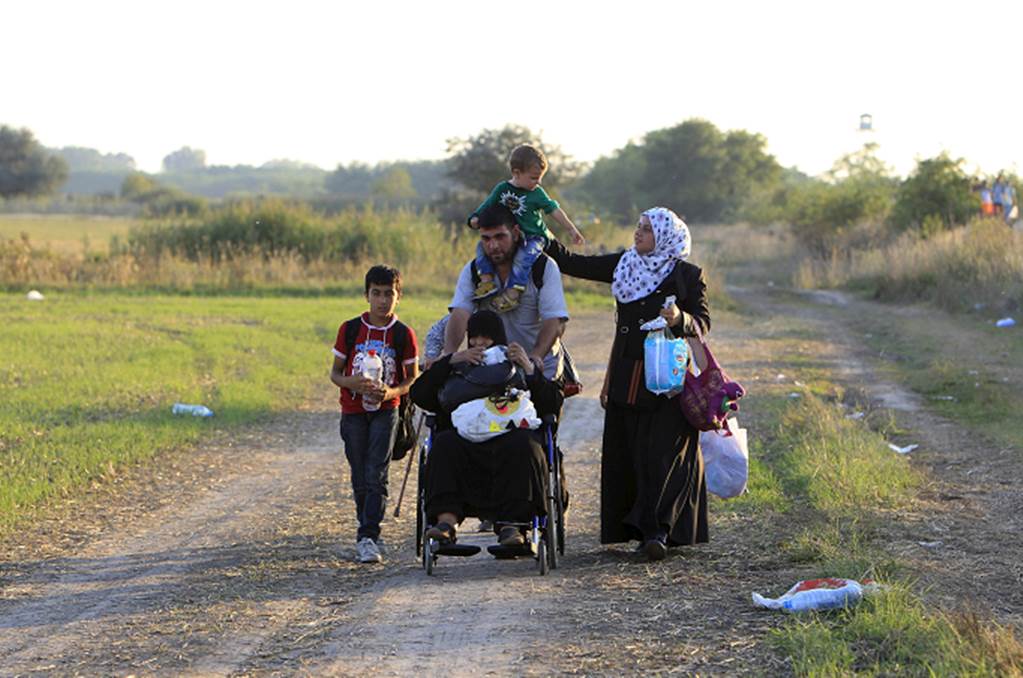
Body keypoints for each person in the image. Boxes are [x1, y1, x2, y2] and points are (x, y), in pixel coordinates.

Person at [545, 207, 711, 561]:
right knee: (634, 453)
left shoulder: (686, 275)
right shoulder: (626, 265)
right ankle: (641, 530)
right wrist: (538, 231)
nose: (639, 234)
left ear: (666, 236)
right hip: (627, 376)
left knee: (663, 454)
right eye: (638, 227)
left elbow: (702, 324)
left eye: (647, 230)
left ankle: (660, 531)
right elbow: (574, 263)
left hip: (668, 379)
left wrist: (680, 318)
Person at [411, 310, 562, 547]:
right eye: (474, 338)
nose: (479, 343)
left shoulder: (518, 367)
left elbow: (552, 403)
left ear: (499, 339)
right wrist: (450, 360)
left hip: (509, 437)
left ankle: (514, 525)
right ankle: (446, 522)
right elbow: (420, 395)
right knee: (444, 444)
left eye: (487, 338)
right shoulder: (458, 366)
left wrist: (527, 366)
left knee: (525, 444)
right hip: (465, 439)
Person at [330, 265, 419, 564]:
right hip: (353, 411)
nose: (382, 300)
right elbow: (334, 374)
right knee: (359, 472)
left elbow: (412, 378)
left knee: (377, 473)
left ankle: (368, 535)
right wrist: (350, 383)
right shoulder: (351, 329)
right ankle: (366, 526)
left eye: (389, 294)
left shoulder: (403, 333)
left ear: (399, 296)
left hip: (386, 411)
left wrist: (392, 393)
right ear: (366, 295)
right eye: (376, 293)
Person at [446, 203, 570, 382]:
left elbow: (555, 321)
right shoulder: (474, 271)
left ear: (516, 232)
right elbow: (460, 312)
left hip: (539, 370)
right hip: (493, 370)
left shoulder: (543, 267)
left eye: (500, 237)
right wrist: (449, 355)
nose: (493, 245)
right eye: (486, 239)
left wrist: (534, 358)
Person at [468, 144, 585, 312]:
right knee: (482, 247)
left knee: (523, 258)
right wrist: (475, 217)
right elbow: (488, 204)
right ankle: (487, 282)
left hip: (534, 237)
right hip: (512, 237)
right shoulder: (502, 189)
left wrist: (571, 229)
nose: (538, 182)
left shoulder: (537, 193)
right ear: (516, 173)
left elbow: (554, 210)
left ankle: (513, 293)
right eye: (534, 177)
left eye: (540, 178)